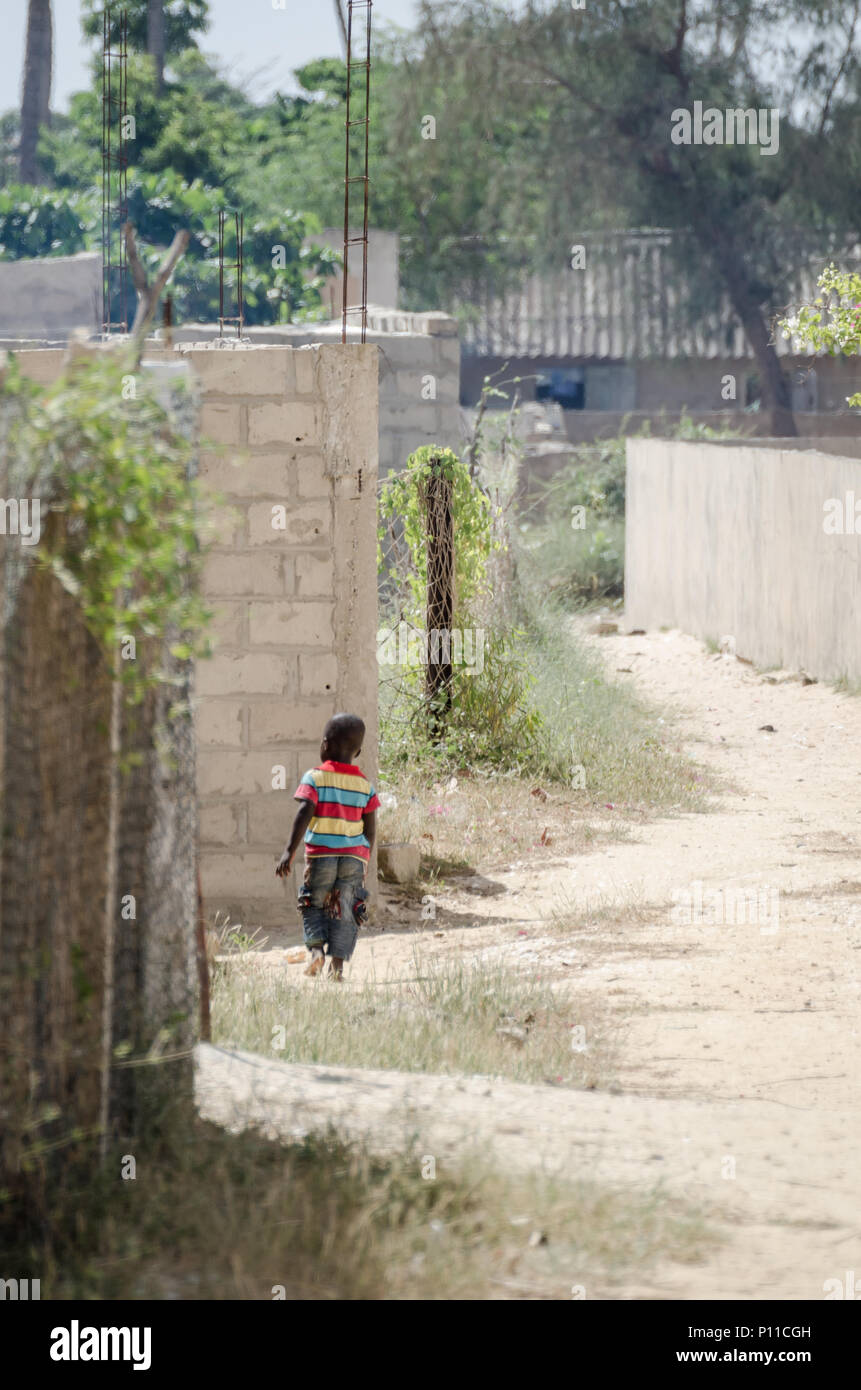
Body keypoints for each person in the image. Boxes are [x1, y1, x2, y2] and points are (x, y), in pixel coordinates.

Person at [276, 713, 379, 980]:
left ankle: (316, 953)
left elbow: (304, 812)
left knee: (313, 903)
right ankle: (337, 967)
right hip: (354, 859)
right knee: (346, 910)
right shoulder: (365, 786)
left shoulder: (315, 778)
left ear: (324, 745)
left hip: (322, 855)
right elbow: (370, 829)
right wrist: (362, 858)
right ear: (358, 751)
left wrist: (289, 850)